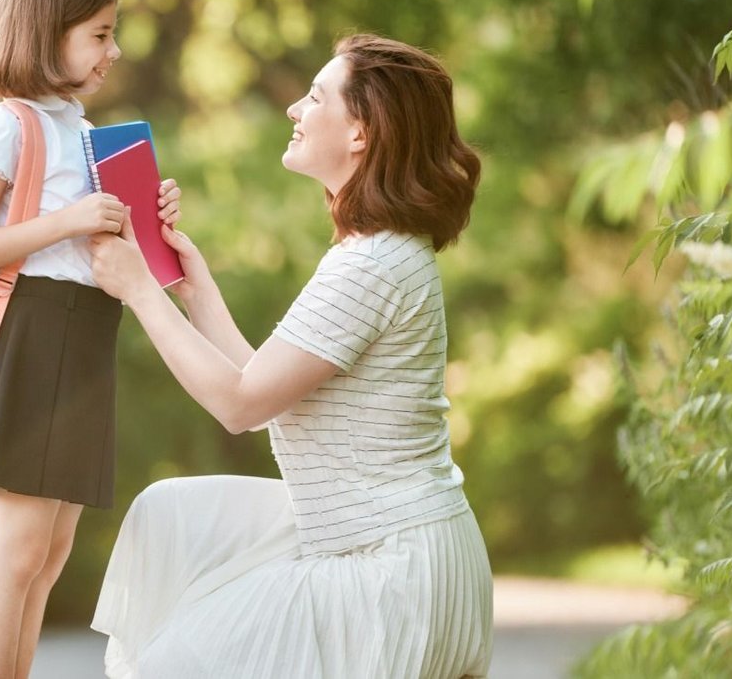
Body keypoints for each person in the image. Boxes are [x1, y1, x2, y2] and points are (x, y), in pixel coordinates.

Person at [87, 34, 492, 678]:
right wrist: (193, 288)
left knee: (175, 664)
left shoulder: (370, 264)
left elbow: (239, 406)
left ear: (360, 132)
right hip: (412, 552)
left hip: (389, 573)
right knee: (167, 513)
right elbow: (267, 386)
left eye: (314, 96)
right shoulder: (378, 253)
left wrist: (138, 287)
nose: (293, 110)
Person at [0, 0, 181, 679]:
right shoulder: (14, 126)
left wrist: (151, 218)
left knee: (52, 550)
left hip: (87, 331)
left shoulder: (81, 129)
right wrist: (68, 220)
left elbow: (104, 244)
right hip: (40, 329)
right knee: (18, 547)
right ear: (47, 34)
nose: (114, 50)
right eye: (100, 34)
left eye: (112, 33)